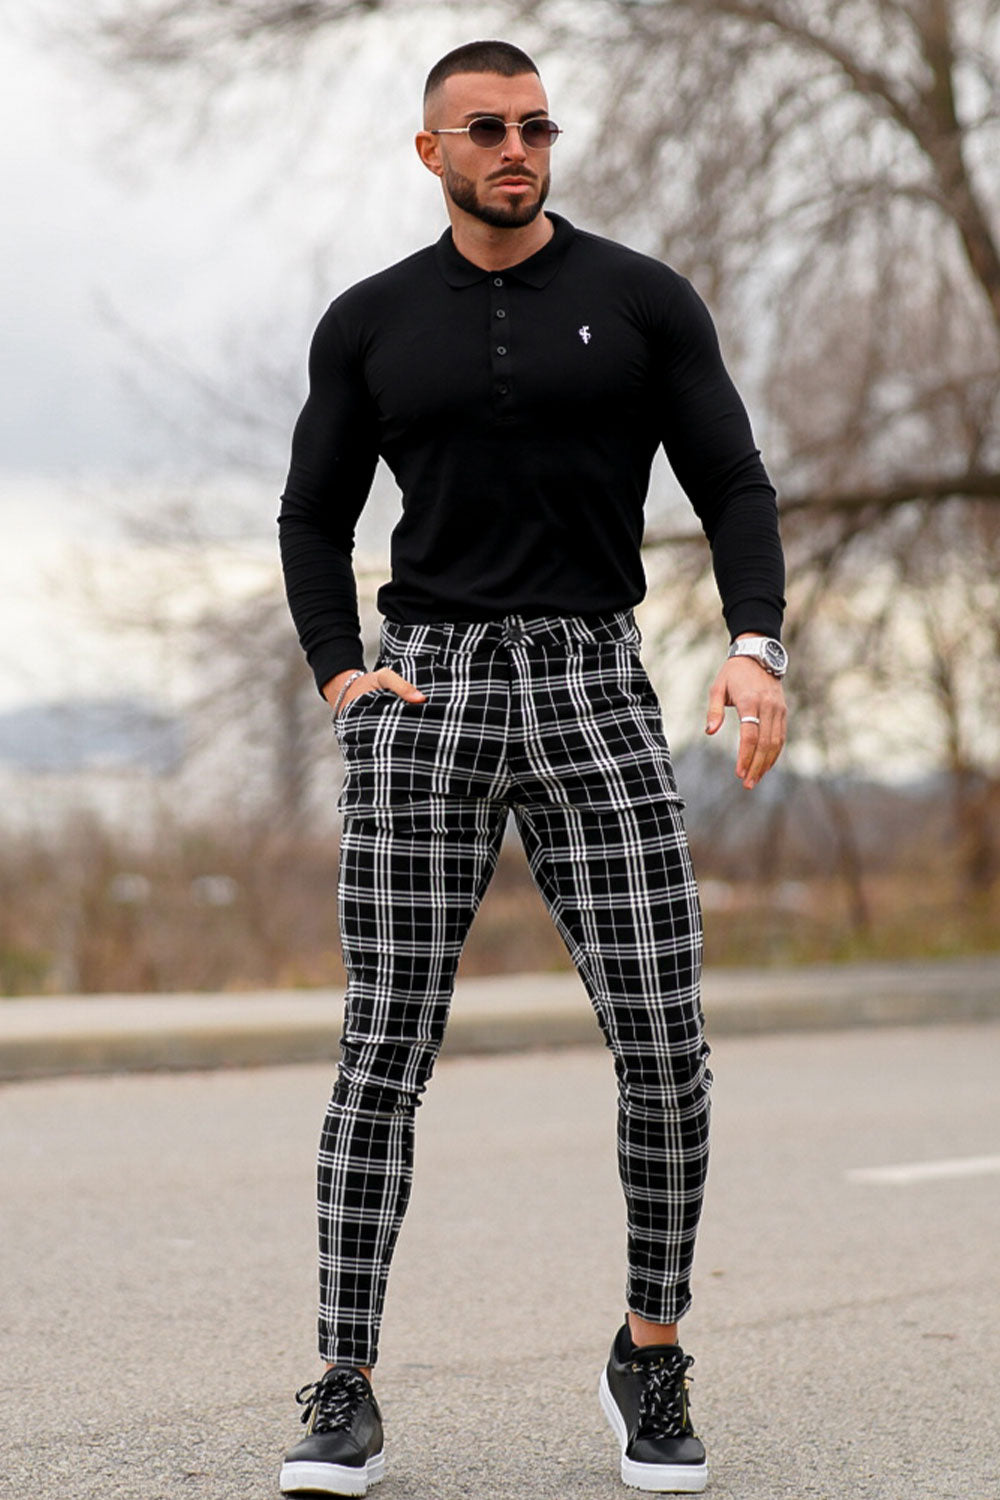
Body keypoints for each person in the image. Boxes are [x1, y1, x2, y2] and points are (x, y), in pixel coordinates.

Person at [276, 37, 786, 1498]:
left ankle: (650, 1352)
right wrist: (342, 674)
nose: (517, 148)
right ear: (430, 149)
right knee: (383, 1049)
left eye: (537, 127)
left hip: (593, 686)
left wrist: (756, 644)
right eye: (488, 127)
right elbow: (311, 515)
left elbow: (733, 480)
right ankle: (344, 1381)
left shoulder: (641, 300)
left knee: (665, 1046)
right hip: (427, 691)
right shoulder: (370, 322)